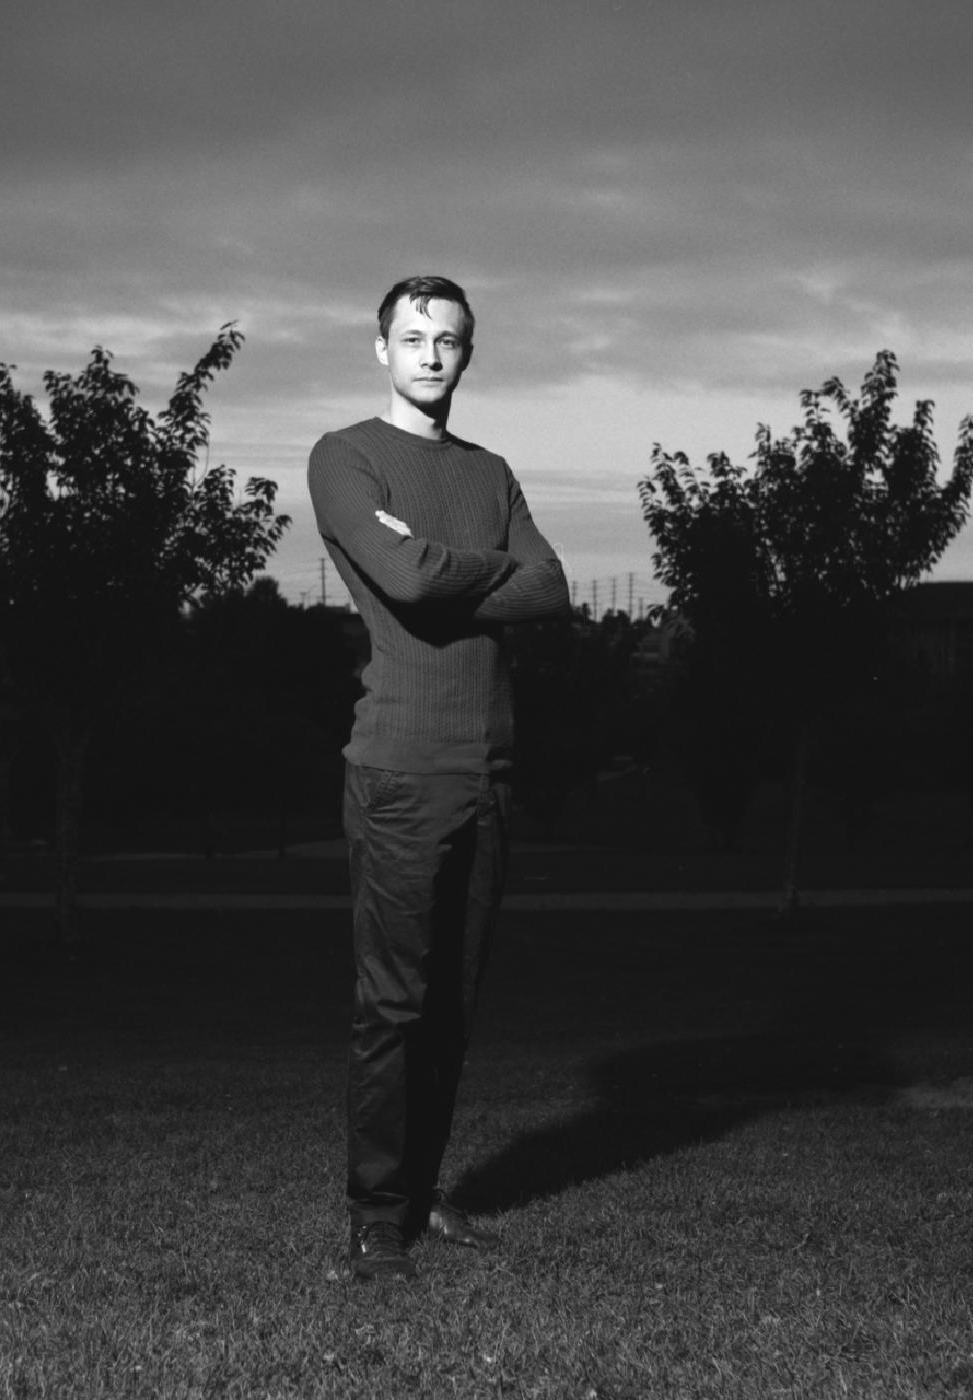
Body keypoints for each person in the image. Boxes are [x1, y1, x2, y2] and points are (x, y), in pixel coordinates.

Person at [307, 275, 570, 1282]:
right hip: (398, 769)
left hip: (487, 770)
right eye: (411, 336)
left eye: (447, 339)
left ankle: (420, 1196)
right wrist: (476, 571)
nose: (428, 352)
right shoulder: (346, 457)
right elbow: (406, 585)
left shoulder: (490, 470)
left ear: (466, 354)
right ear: (380, 348)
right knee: (393, 1005)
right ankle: (375, 1217)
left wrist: (444, 561)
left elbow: (546, 588)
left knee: (453, 1005)